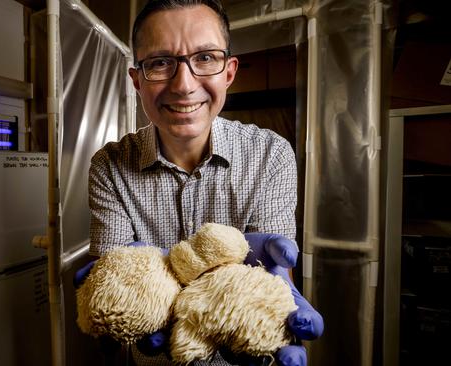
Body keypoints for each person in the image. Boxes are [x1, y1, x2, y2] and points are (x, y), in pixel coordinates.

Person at [78, 0, 324, 365]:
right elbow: (114, 292)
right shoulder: (110, 165)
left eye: (206, 57)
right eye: (160, 63)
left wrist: (164, 284)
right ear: (137, 80)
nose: (184, 84)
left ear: (228, 71)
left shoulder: (271, 154)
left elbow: (270, 282)